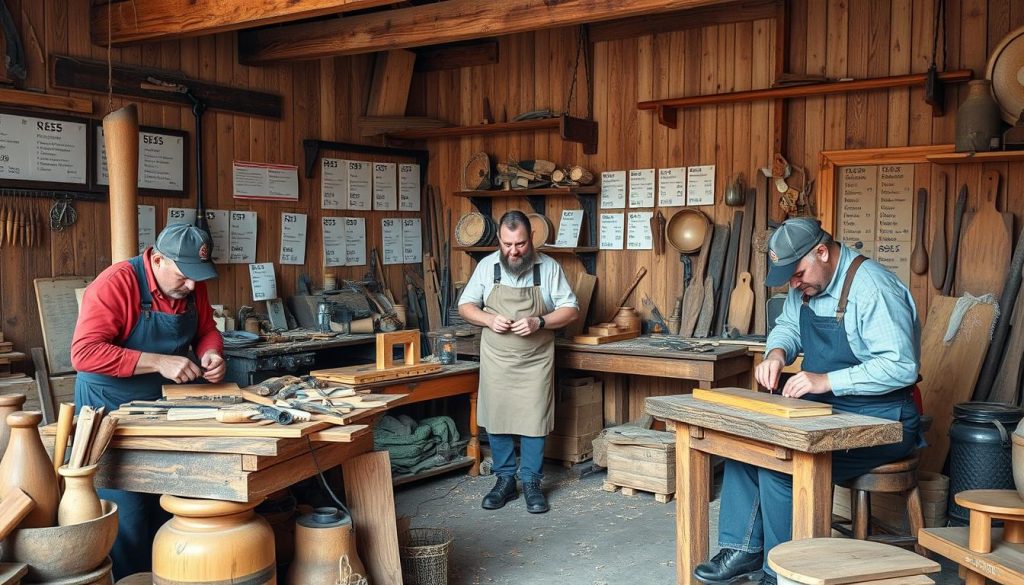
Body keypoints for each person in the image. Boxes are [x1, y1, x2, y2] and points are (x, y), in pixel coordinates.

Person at [694, 217, 923, 585]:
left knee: (780, 466)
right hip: (826, 410)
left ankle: (781, 573)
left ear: (822, 251)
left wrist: (826, 379)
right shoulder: (808, 287)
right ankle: (744, 549)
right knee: (747, 445)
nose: (795, 283)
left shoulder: (873, 289)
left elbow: (901, 367)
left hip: (883, 418)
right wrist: (776, 353)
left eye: (798, 273)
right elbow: (788, 326)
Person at [71, 223, 225, 580]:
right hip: (111, 411)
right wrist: (159, 361)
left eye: (198, 279)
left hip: (165, 408)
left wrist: (212, 353)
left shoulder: (191, 287)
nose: (191, 287)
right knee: (129, 517)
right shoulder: (116, 283)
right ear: (157, 259)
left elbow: (206, 330)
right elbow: (84, 353)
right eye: (185, 276)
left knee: (170, 507)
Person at [458, 210, 578, 514]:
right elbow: (465, 306)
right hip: (497, 358)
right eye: (508, 244)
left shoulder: (548, 268)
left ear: (531, 238)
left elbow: (571, 309)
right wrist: (487, 318)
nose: (514, 251)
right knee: (497, 418)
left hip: (535, 360)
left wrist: (539, 321)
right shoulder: (487, 267)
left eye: (521, 244)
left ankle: (533, 483)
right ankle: (504, 481)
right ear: (499, 239)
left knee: (534, 420)